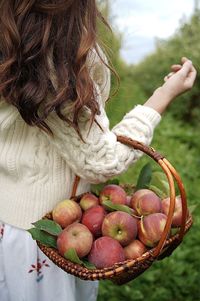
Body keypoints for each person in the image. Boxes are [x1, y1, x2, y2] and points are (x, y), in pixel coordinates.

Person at [0, 1, 197, 301]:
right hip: (52, 239)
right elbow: (101, 161)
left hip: (9, 225)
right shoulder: (62, 57)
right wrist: (162, 96)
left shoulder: (9, 45)